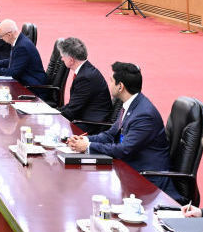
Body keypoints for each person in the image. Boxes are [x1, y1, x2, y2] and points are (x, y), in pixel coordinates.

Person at [66, 62, 176, 198]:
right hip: (129, 170)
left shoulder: (144, 115)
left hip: (147, 181)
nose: (109, 84)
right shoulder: (130, 105)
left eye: (111, 81)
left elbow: (124, 149)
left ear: (120, 86)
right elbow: (110, 134)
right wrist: (85, 140)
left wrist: (88, 146)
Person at [57, 37, 113, 125]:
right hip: (84, 116)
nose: (62, 59)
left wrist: (51, 117)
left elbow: (72, 111)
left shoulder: (85, 78)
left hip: (91, 125)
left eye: (63, 56)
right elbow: (74, 105)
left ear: (71, 60)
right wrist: (54, 111)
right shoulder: (86, 70)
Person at [0, 19, 47, 87]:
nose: (1, 38)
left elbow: (13, 73)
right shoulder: (19, 41)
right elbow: (13, 60)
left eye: (1, 36)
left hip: (32, 87)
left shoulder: (22, 46)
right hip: (25, 82)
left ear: (9, 34)